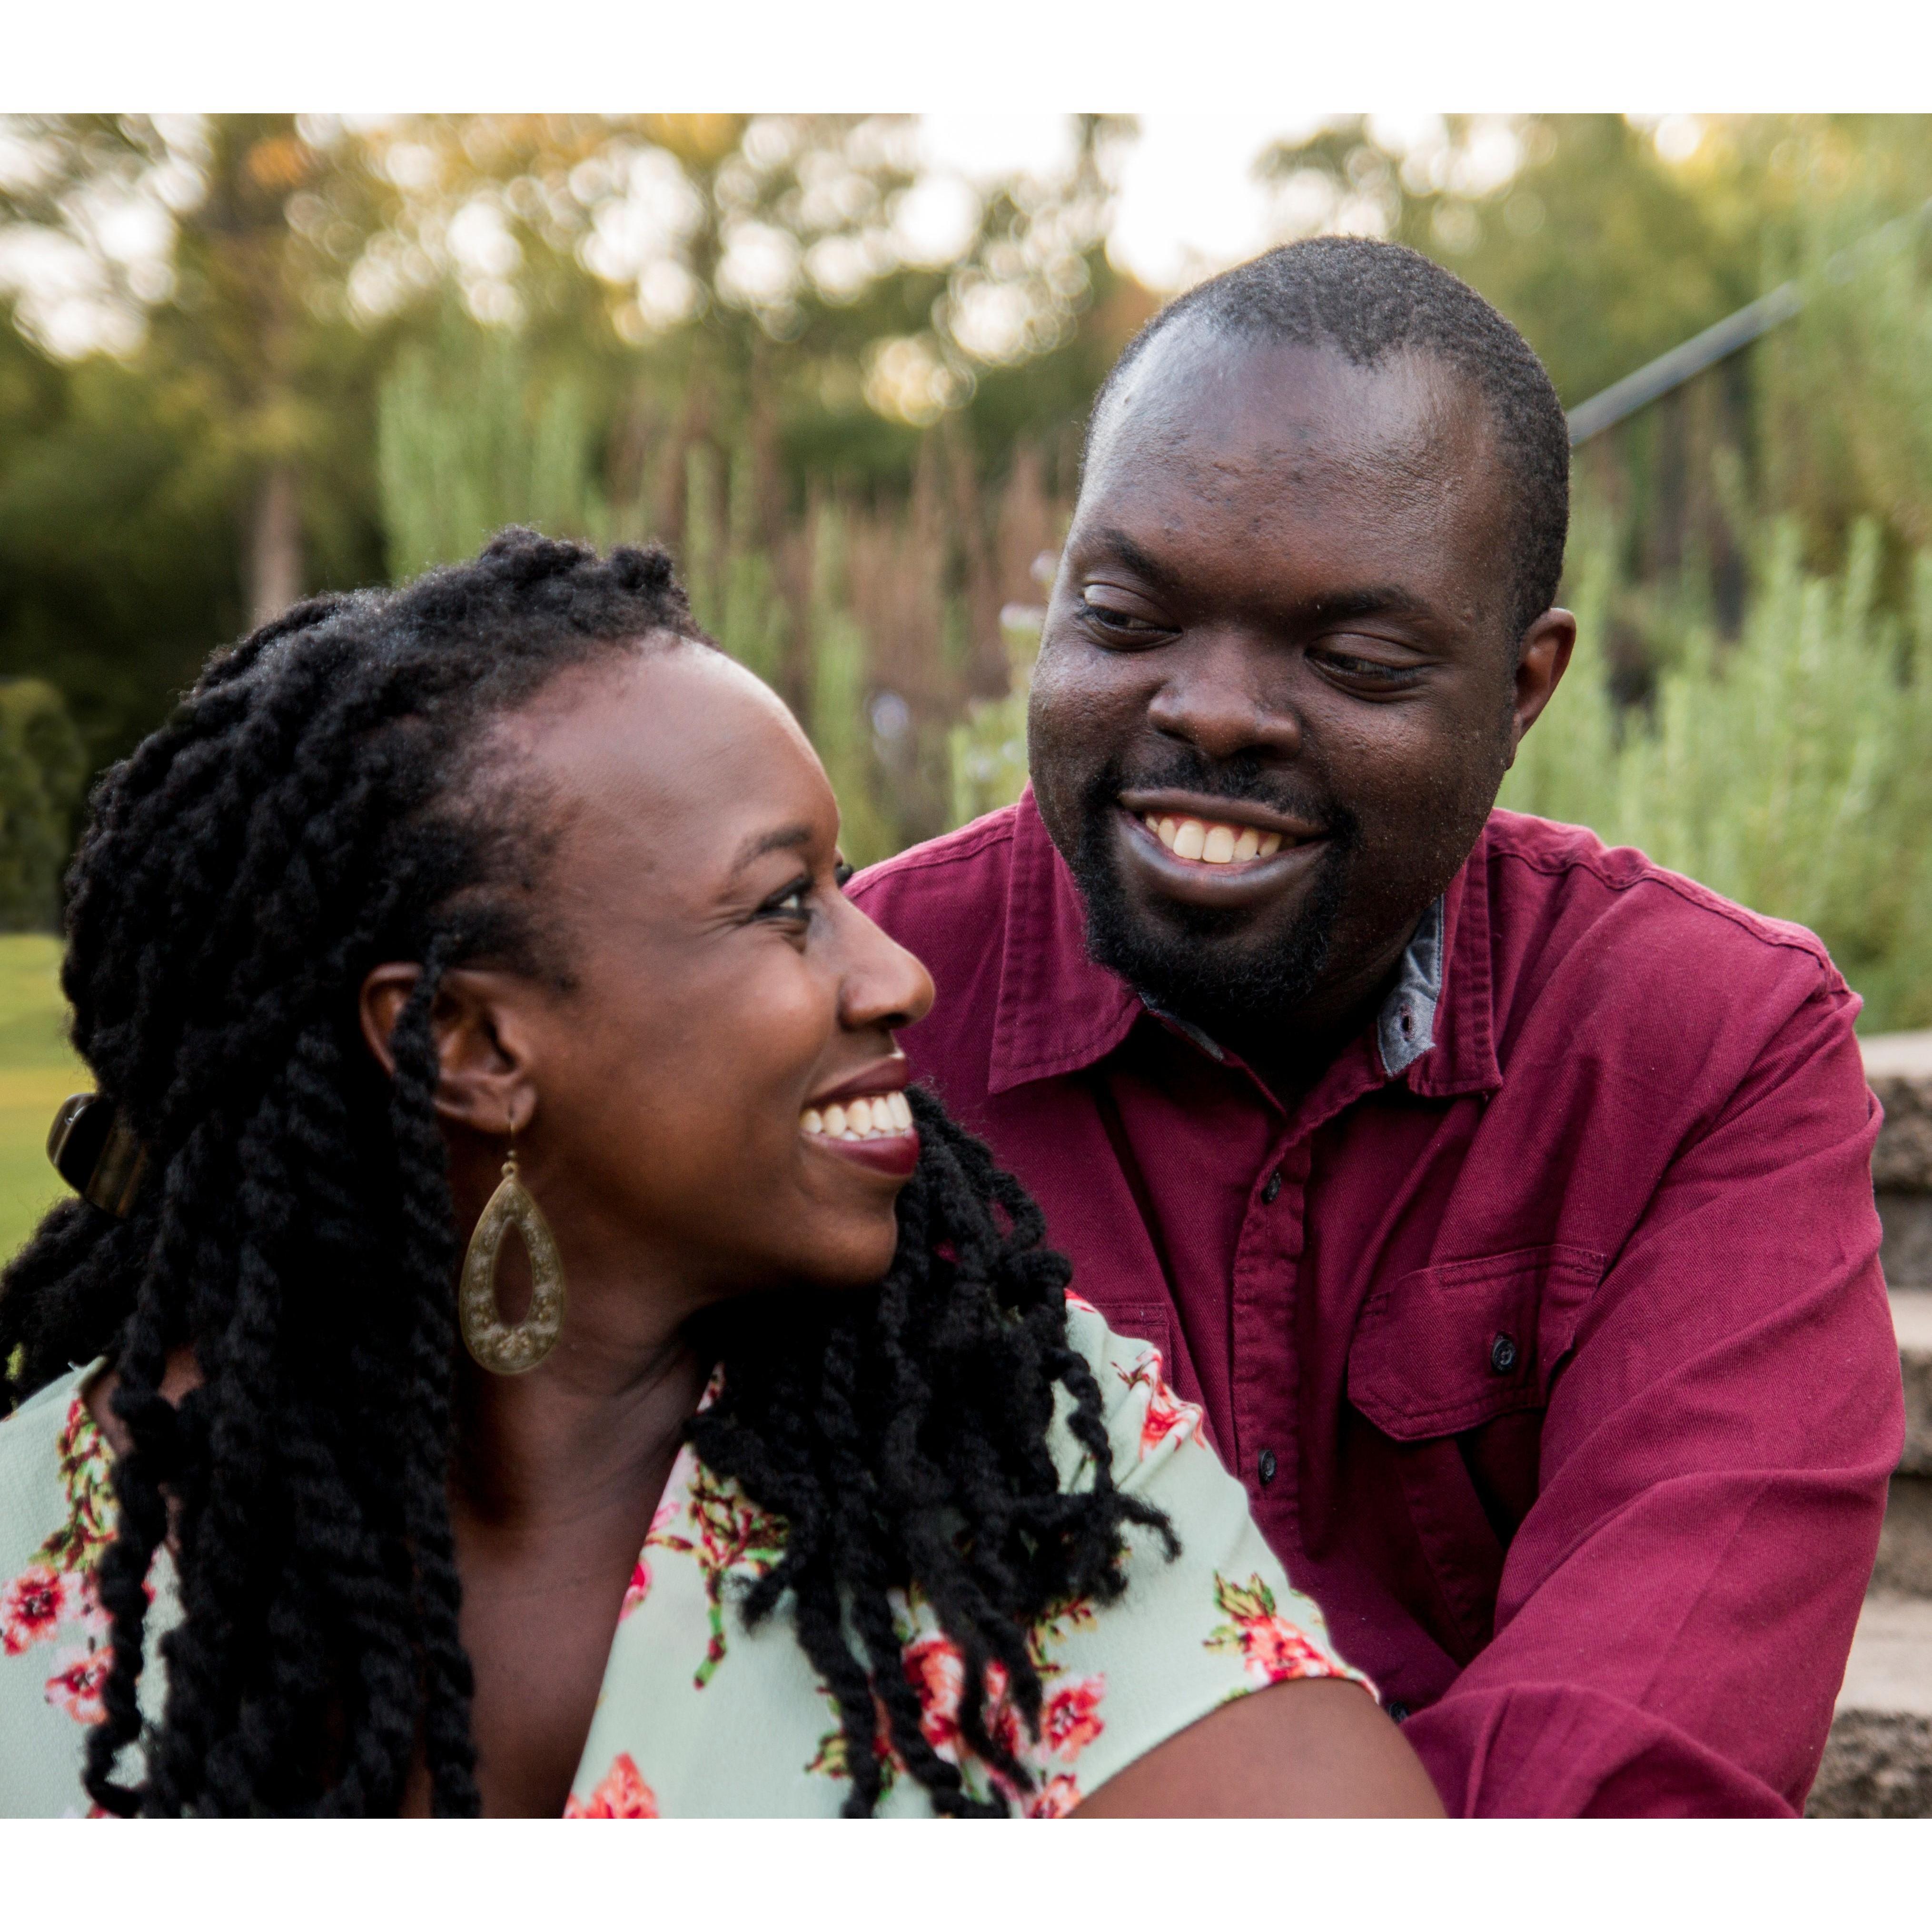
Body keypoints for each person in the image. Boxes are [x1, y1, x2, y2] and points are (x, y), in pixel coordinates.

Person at [0, 530, 1441, 1819]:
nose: (897, 972)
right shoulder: (52, 1542)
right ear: (469, 1042)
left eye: (845, 883)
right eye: (783, 906)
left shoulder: (996, 1442)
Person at [851, 237, 1905, 1817]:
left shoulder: (1706, 1049)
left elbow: (1637, 1766)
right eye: (1127, 618)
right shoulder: (866, 1016)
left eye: (1350, 658)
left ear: (1521, 686)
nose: (1209, 710)